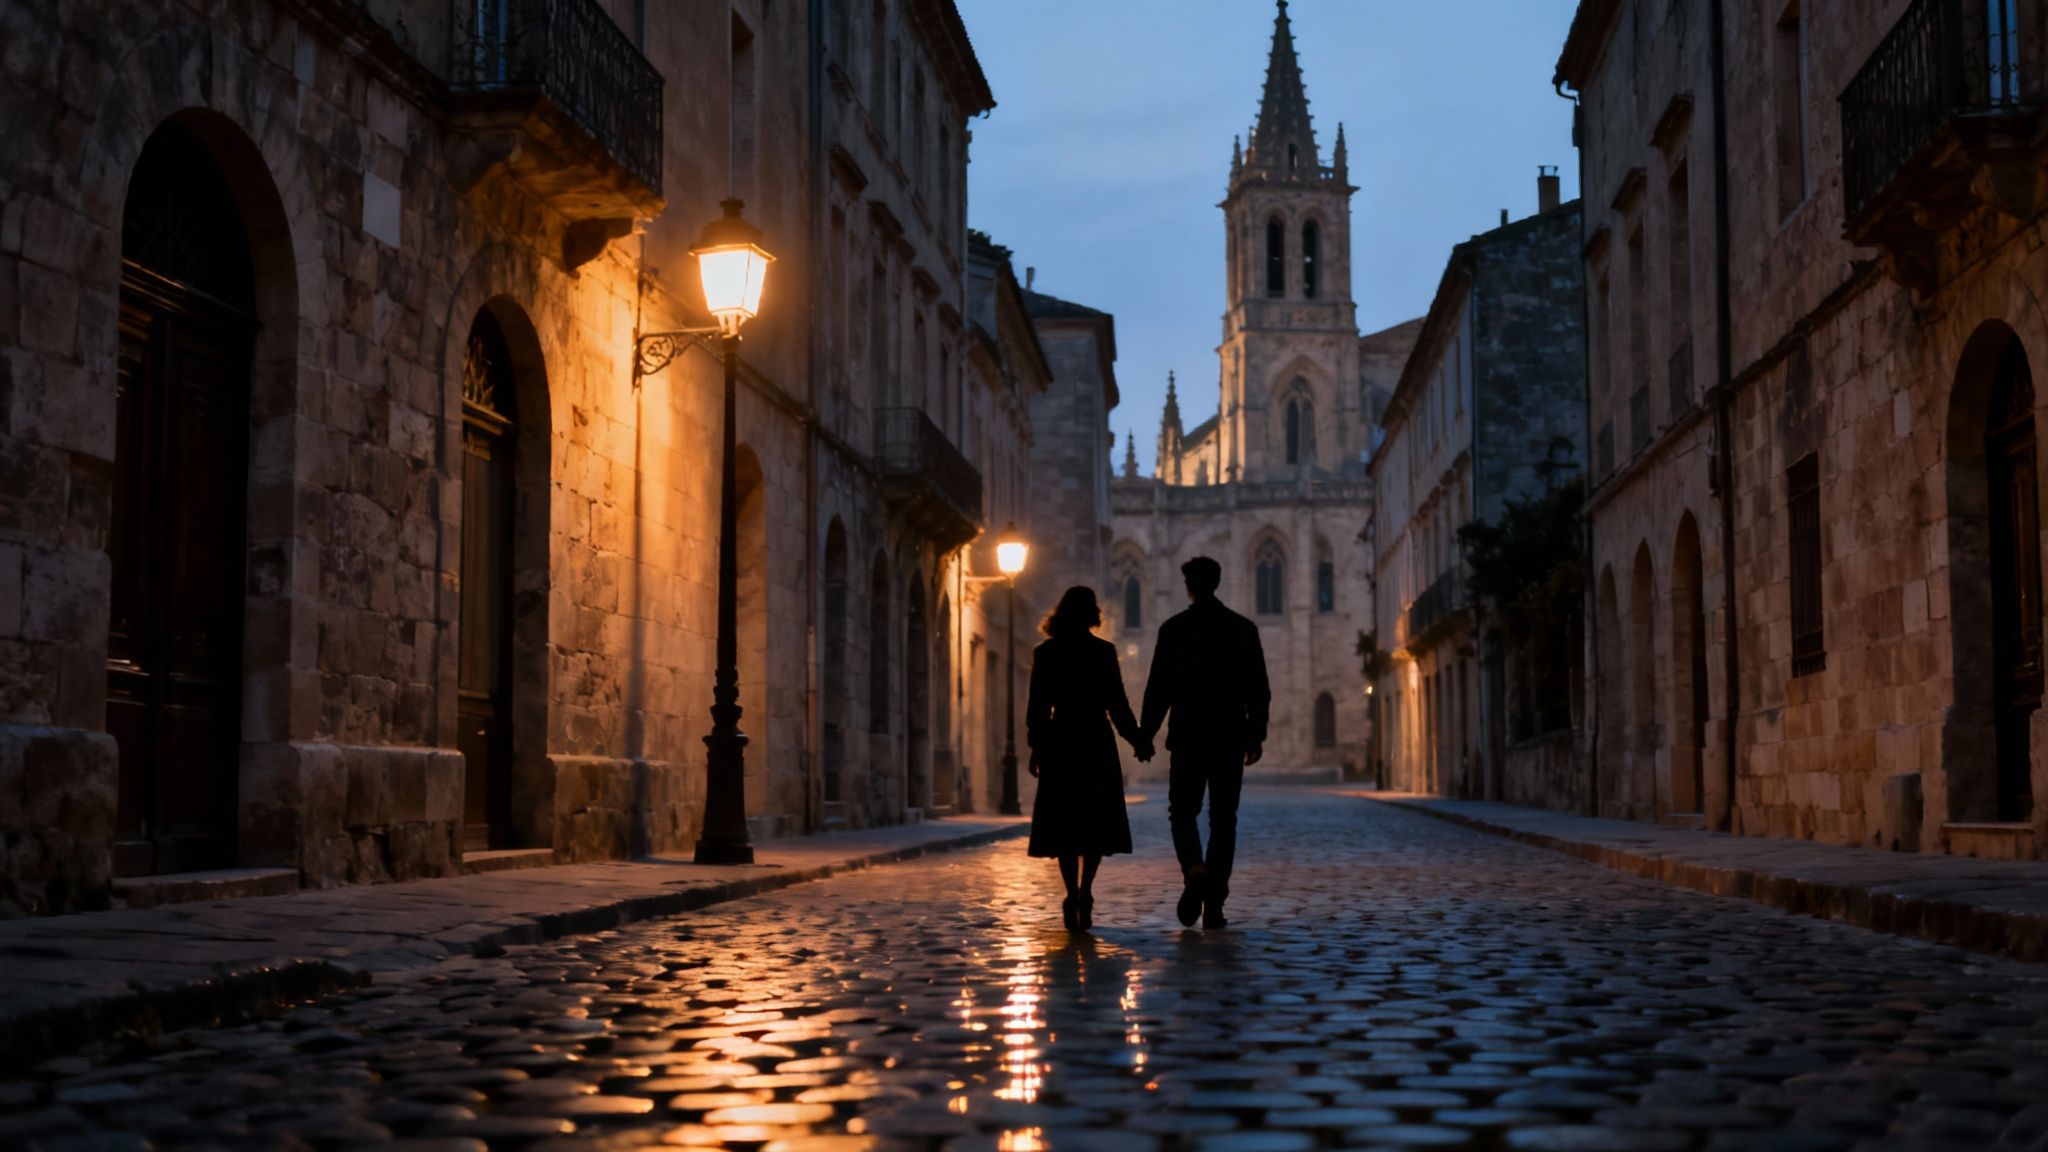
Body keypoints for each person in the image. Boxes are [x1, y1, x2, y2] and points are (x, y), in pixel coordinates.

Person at [1139, 556, 1270, 930]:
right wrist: (1255, 733)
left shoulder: (1174, 629)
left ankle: (1194, 868)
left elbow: (1158, 688)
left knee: (1182, 812)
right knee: (1223, 820)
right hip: (1228, 737)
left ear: (1189, 586)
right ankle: (1214, 903)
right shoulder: (1242, 629)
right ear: (1218, 582)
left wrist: (1146, 734)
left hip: (1188, 738)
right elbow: (1258, 689)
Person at [1025, 586, 1151, 931]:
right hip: (1095, 740)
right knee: (1094, 822)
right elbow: (1118, 706)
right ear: (1092, 614)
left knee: (1065, 823)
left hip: (1061, 740)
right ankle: (1086, 891)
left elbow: (1038, 708)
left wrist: (1037, 746)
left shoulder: (1046, 653)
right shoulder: (1103, 652)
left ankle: (1070, 893)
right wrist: (1138, 740)